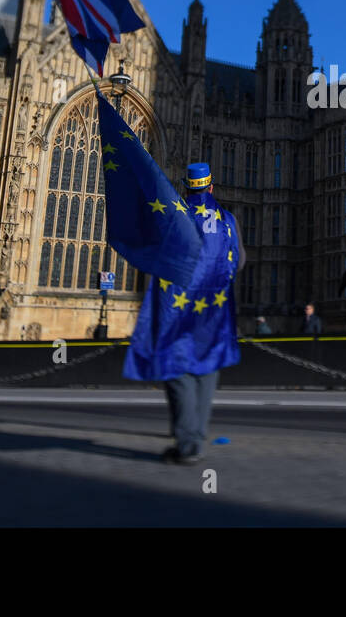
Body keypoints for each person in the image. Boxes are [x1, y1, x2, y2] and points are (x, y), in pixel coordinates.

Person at [124, 163, 244, 466]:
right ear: (211, 187)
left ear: (186, 188)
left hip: (178, 304)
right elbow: (239, 261)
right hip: (214, 306)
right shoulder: (228, 220)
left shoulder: (173, 217)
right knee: (206, 367)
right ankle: (196, 433)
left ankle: (189, 444)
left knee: (176, 367)